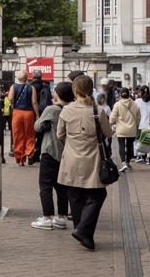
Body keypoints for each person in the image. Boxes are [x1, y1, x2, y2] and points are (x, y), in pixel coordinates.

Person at [58, 75, 114, 251]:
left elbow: (60, 134)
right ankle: (83, 231)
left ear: (75, 90)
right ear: (91, 90)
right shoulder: (97, 111)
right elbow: (108, 133)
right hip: (92, 158)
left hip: (71, 158)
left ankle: (81, 231)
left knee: (74, 195)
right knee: (97, 195)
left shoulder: (66, 110)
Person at [31, 81, 74, 229]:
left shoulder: (52, 109)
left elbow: (37, 127)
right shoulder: (72, 109)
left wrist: (43, 122)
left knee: (45, 186)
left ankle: (47, 218)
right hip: (66, 153)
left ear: (58, 94)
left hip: (50, 151)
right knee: (61, 186)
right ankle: (61, 217)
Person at [6, 70, 39, 166]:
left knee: (18, 135)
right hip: (29, 113)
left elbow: (10, 98)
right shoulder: (31, 87)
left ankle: (20, 159)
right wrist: (37, 115)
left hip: (17, 112)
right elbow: (34, 102)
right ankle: (29, 153)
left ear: (18, 78)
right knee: (30, 134)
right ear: (26, 78)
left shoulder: (13, 86)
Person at [111, 88, 140, 170]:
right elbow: (138, 117)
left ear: (120, 95)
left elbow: (113, 117)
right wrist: (137, 126)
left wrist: (112, 123)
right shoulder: (135, 104)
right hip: (132, 129)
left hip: (121, 129)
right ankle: (128, 162)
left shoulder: (117, 104)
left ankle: (123, 163)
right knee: (130, 146)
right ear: (129, 94)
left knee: (121, 146)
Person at [30, 75, 52, 165]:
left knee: (31, 135)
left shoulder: (29, 86)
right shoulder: (45, 87)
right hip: (43, 113)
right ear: (41, 76)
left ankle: (30, 154)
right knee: (41, 135)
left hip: (31, 113)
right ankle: (38, 154)